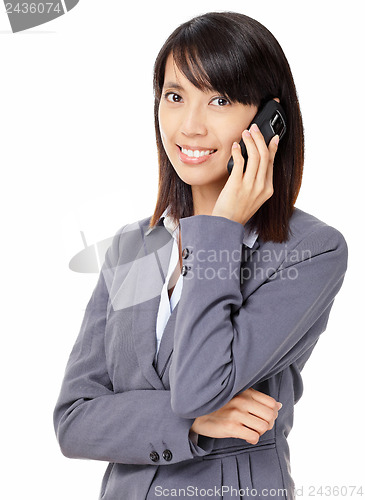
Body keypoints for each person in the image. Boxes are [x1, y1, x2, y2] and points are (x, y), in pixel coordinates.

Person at [53, 11, 348, 500]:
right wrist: (195, 425)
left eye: (220, 99)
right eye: (174, 97)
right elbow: (74, 421)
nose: (189, 125)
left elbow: (197, 387)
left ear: (268, 120)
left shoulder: (308, 251)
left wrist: (222, 228)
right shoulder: (133, 248)